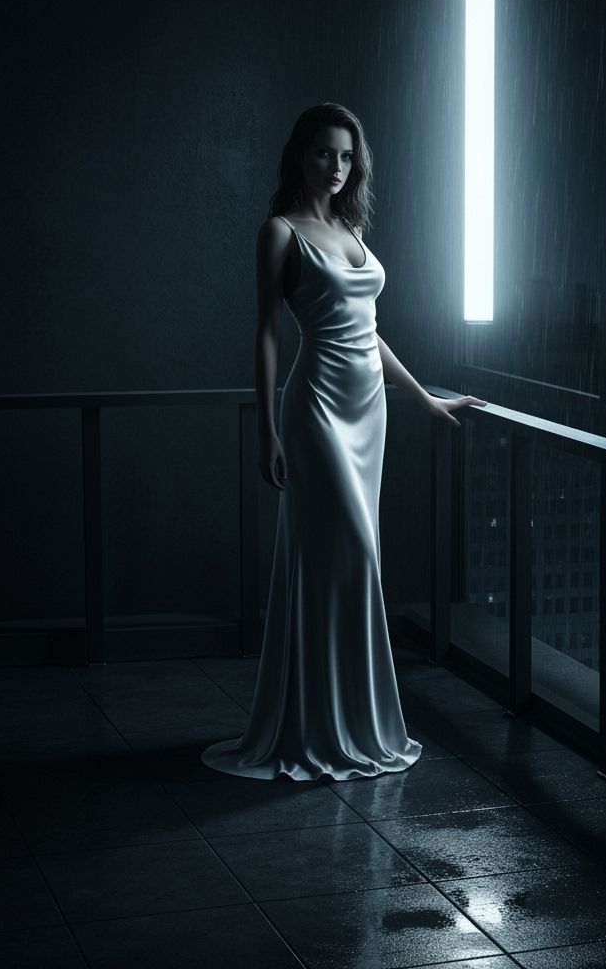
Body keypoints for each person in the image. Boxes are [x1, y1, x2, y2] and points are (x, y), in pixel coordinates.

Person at [201, 102, 486, 781]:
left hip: (370, 413)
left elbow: (370, 331)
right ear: (299, 155)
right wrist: (267, 427)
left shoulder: (351, 227)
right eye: (325, 153)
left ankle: (347, 720)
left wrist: (422, 399)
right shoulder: (279, 232)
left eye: (347, 156)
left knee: (354, 562)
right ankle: (316, 727)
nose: (337, 166)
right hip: (317, 409)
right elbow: (268, 333)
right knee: (346, 554)